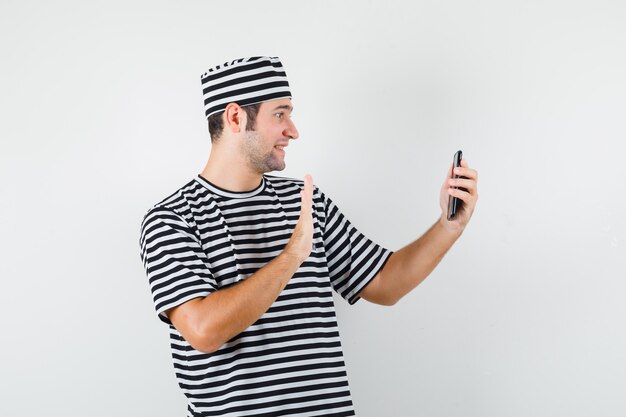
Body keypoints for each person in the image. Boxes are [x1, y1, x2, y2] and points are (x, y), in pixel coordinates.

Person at [139, 56, 478, 417]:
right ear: (236, 117)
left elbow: (384, 282)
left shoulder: (304, 200)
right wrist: (291, 257)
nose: (293, 130)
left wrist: (448, 226)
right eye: (279, 114)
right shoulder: (171, 220)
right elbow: (203, 331)